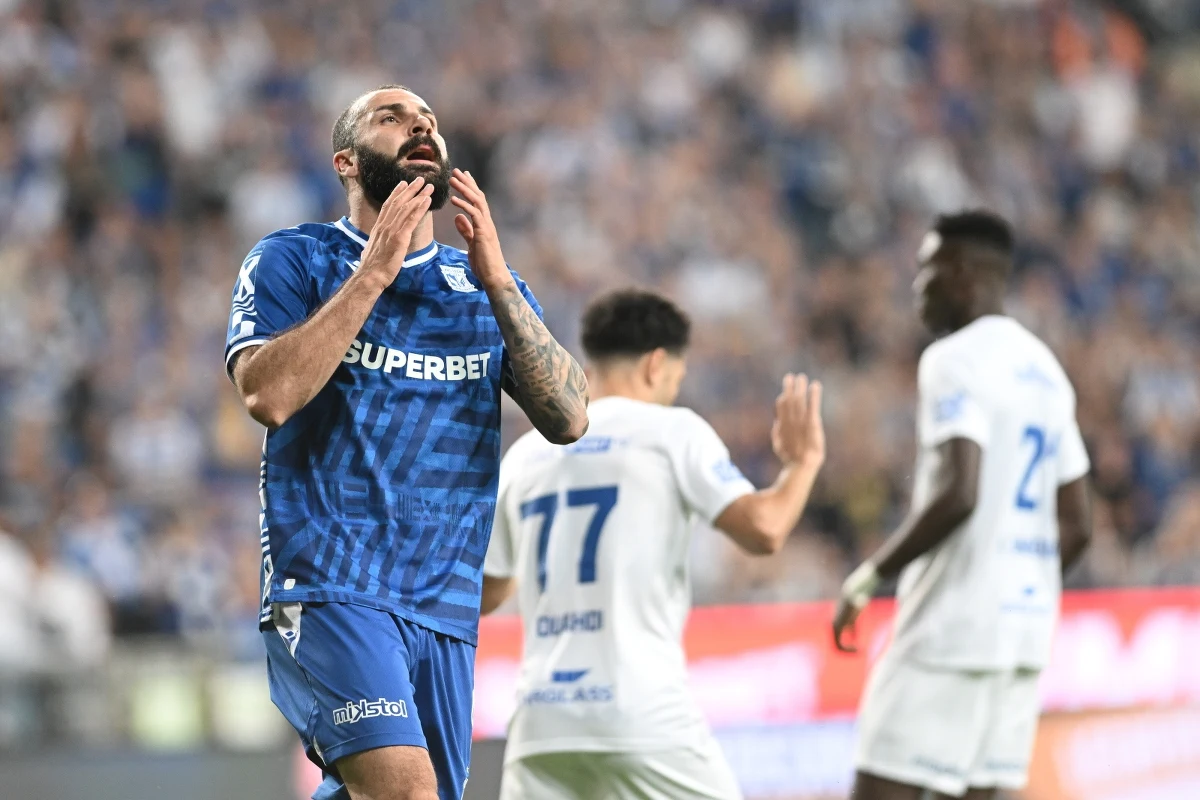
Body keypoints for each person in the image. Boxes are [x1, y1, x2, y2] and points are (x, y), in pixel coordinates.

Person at [223, 84, 589, 800]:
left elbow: (571, 418)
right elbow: (268, 395)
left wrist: (497, 282)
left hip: (443, 608)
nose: (420, 124)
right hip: (332, 586)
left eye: (428, 120)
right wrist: (374, 273)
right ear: (347, 162)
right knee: (406, 794)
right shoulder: (295, 260)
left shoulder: (480, 286)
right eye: (391, 118)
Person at [481, 288, 826, 800]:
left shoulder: (526, 455)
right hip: (640, 714)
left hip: (541, 724)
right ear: (656, 365)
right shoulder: (672, 432)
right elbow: (765, 529)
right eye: (676, 380)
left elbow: (486, 594)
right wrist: (803, 463)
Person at [831, 211, 1093, 800]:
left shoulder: (953, 358)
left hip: (950, 633)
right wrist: (1018, 583)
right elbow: (1078, 525)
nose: (918, 287)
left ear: (965, 274)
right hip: (1022, 636)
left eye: (928, 270)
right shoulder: (1048, 372)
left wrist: (870, 576)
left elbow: (960, 493)